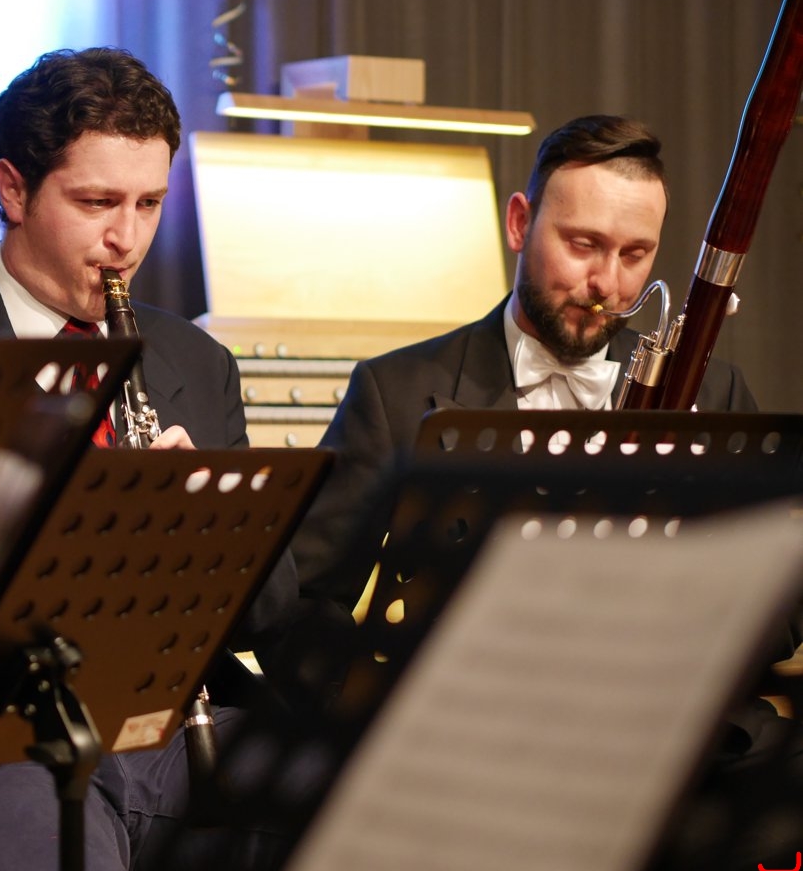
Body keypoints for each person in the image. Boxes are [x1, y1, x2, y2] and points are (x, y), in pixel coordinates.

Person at [0, 46, 290, 871]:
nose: (126, 239)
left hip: (170, 730)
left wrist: (214, 523)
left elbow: (271, 613)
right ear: (13, 189)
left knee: (375, 797)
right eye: (96, 203)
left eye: (149, 203)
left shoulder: (194, 361)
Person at [289, 113, 757, 612]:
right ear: (519, 224)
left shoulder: (714, 395)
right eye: (583, 244)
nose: (607, 283)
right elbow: (302, 602)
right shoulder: (394, 396)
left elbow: (783, 599)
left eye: (634, 254)